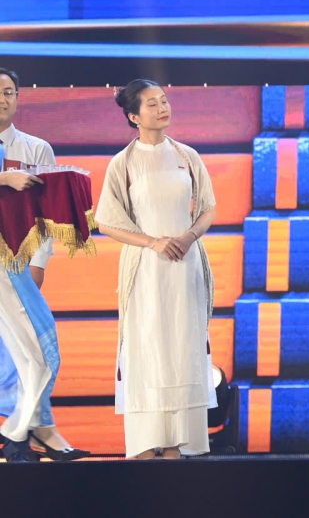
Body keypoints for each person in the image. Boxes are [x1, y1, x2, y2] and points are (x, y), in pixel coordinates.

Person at [93, 80, 219, 459]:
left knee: (183, 346)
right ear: (134, 116)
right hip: (146, 269)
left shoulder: (187, 155)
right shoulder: (123, 163)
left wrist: (189, 236)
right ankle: (147, 446)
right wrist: (152, 242)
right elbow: (106, 221)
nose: (162, 108)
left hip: (185, 266)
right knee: (148, 348)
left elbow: (208, 208)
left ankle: (180, 444)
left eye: (164, 101)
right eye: (152, 104)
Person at [0, 68, 88, 461]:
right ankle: (31, 434)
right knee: (28, 357)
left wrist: (38, 265)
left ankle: (23, 433)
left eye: (8, 92)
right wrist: (5, 179)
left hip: (15, 265)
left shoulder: (36, 148)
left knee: (37, 354)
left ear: (18, 98)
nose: (2, 99)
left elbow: (46, 216)